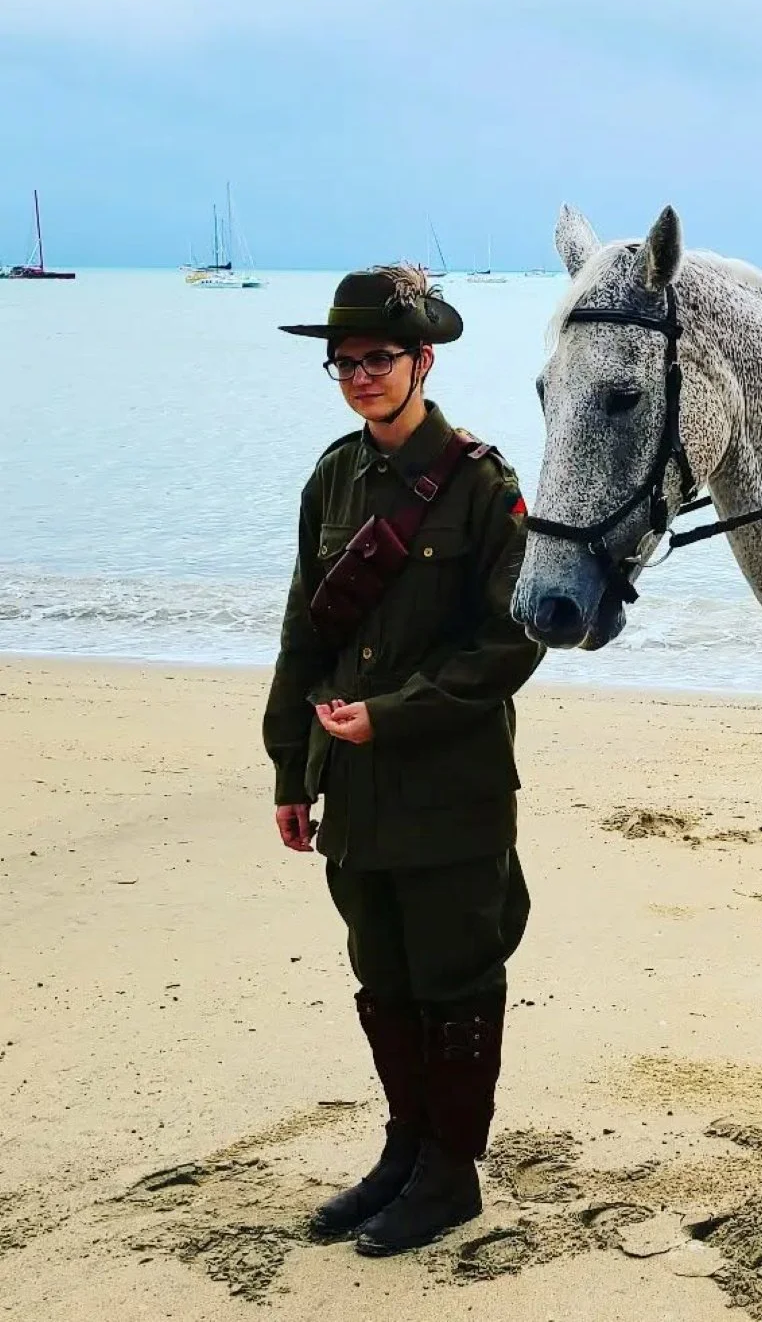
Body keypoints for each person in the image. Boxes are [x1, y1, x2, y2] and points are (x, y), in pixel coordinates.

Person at [263, 265, 543, 1254]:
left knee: (454, 974)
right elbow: (304, 630)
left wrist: (396, 713)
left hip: (452, 783)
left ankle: (451, 1172)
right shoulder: (333, 477)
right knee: (381, 970)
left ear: (422, 359)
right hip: (354, 784)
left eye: (376, 358)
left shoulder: (481, 482)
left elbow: (513, 639)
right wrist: (291, 769)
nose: (358, 377)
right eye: (342, 363)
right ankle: (404, 1148)